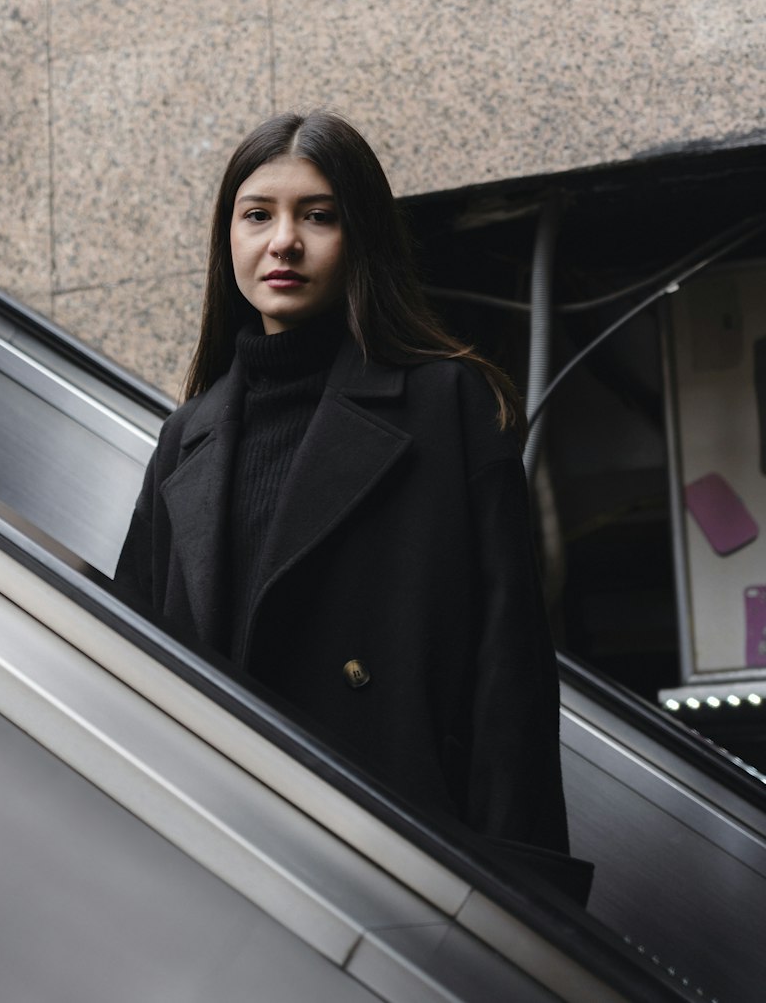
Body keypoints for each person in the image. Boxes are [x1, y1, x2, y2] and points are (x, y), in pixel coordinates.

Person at [115, 110, 569, 858]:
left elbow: (509, 675)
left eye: (317, 216)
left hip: (402, 845)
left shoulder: (446, 406)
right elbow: (136, 662)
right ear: (227, 238)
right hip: (219, 847)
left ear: (360, 237)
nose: (283, 240)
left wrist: (524, 893)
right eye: (257, 214)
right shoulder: (184, 439)